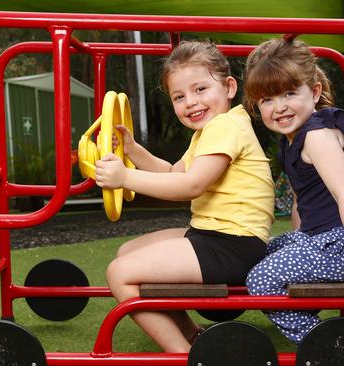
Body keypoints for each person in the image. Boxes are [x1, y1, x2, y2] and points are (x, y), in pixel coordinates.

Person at [94, 41, 275, 353]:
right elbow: (173, 174)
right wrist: (133, 150)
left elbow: (191, 186)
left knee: (119, 274)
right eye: (179, 96)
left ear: (229, 87)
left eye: (201, 89)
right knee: (126, 253)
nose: (191, 102)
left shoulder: (226, 126)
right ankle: (193, 336)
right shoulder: (206, 133)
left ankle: (184, 354)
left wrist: (124, 177)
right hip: (214, 235)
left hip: (233, 244)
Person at [243, 37, 344, 344]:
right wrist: (297, 240)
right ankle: (310, 319)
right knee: (253, 252)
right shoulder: (291, 140)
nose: (279, 107)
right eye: (267, 100)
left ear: (315, 91)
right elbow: (302, 199)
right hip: (321, 237)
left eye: (289, 94)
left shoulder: (318, 136)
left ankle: (327, 345)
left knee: (261, 278)